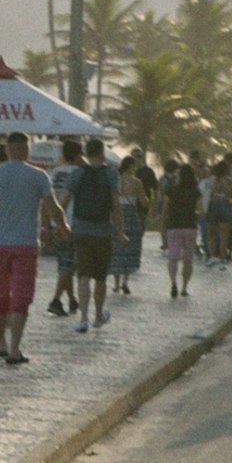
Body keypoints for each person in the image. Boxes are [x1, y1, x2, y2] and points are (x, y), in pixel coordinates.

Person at [0, 131, 67, 365]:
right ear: (26, 150)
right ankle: (15, 349)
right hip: (26, 244)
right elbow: (53, 207)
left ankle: (1, 341)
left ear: (7, 150)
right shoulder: (38, 176)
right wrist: (63, 226)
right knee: (22, 295)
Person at [65, 138, 124, 331]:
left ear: (86, 154)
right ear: (102, 152)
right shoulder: (111, 174)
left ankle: (83, 318)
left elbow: (63, 201)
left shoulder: (77, 173)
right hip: (103, 232)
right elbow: (115, 206)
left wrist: (59, 225)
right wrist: (121, 232)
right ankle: (98, 315)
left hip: (81, 230)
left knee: (83, 274)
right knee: (100, 277)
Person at [45, 139, 84, 318]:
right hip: (73, 222)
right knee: (68, 264)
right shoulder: (80, 173)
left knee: (64, 264)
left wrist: (46, 224)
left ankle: (72, 299)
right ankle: (55, 300)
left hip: (55, 221)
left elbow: (45, 201)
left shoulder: (54, 173)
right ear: (77, 155)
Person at [163, 162, 201, 298]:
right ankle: (184, 288)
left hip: (174, 226)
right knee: (188, 259)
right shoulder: (196, 191)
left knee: (173, 257)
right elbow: (201, 210)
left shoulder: (171, 190)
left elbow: (166, 208)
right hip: (190, 227)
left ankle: (173, 283)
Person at [113, 155, 146, 296]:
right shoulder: (136, 182)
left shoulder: (116, 181)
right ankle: (125, 281)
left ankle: (116, 283)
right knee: (129, 248)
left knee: (116, 248)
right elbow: (144, 201)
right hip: (131, 216)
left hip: (116, 215)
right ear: (131, 166)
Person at [204, 160, 232, 269]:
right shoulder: (231, 182)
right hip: (225, 206)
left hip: (213, 206)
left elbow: (206, 195)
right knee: (224, 235)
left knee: (211, 234)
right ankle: (223, 260)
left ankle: (212, 256)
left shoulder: (211, 181)